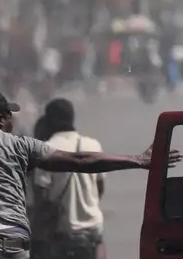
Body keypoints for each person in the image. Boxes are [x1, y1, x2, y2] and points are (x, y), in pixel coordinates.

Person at [0, 89, 181, 259]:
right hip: (14, 245)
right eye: (9, 115)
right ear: (1, 119)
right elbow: (80, 161)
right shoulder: (22, 146)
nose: (13, 120)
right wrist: (137, 160)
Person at [28, 98, 107, 259]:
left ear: (50, 120)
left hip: (62, 238)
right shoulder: (93, 146)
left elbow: (41, 199)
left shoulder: (45, 150)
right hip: (93, 235)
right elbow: (99, 189)